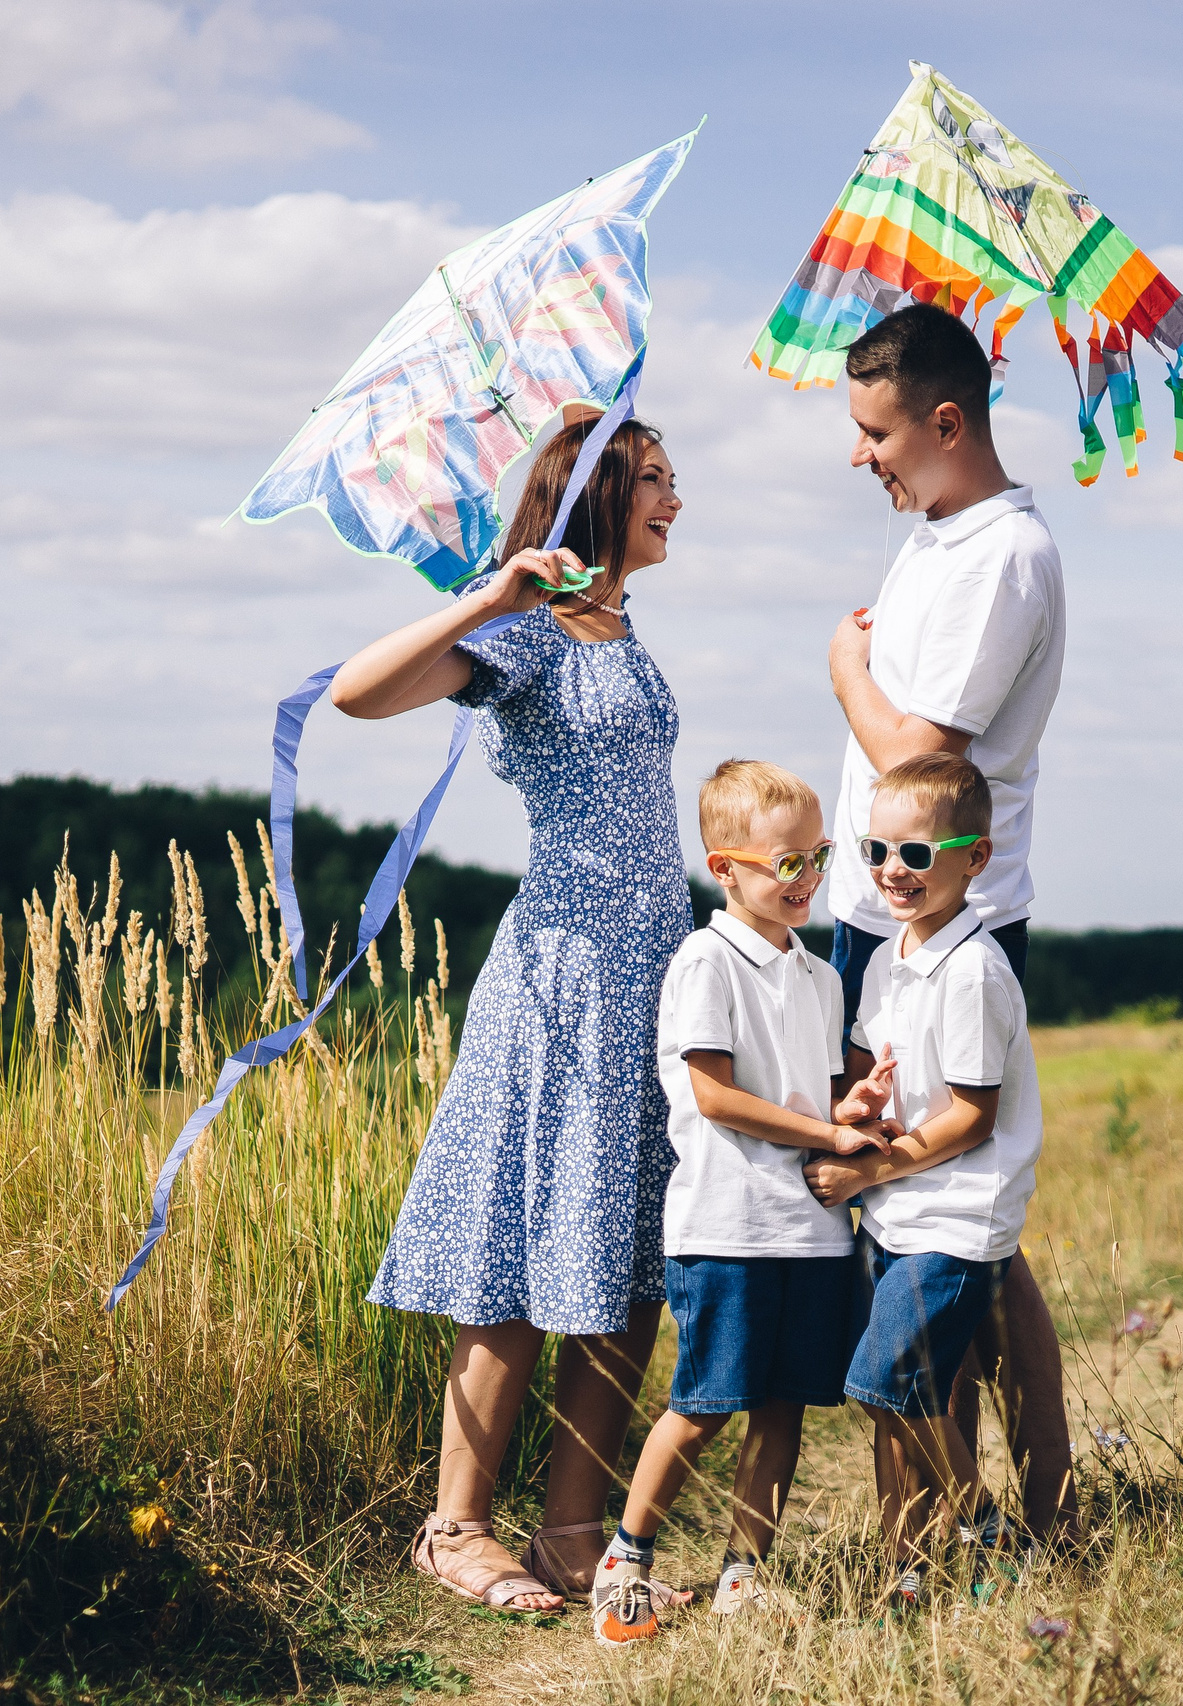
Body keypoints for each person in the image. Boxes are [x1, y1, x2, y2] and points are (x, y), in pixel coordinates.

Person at [331, 410, 687, 1612]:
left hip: (654, 966)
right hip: (565, 975)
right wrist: (491, 595)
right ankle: (454, 1526)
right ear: (588, 494)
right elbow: (355, 694)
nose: (672, 500)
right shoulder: (529, 630)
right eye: (650, 480)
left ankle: (572, 1532)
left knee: (628, 1253)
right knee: (518, 1250)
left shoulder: (623, 628)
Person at [821, 302, 1073, 1541]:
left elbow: (918, 760)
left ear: (945, 419)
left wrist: (844, 672)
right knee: (924, 1218)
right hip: (881, 906)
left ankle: (1021, 1498)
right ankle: (948, 1503)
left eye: (875, 432)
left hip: (949, 908)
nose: (859, 455)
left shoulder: (1003, 558)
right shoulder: (929, 533)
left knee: (965, 1224)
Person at [590, 759, 900, 1644]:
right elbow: (717, 1096)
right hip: (727, 1224)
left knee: (783, 1407)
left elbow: (806, 1096)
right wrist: (828, 1138)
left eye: (818, 857)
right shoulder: (704, 960)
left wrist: (854, 1107)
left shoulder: (822, 974)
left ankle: (742, 1575)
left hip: (811, 1233)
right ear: (725, 868)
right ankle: (626, 1560)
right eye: (784, 863)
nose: (806, 879)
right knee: (703, 1403)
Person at [804, 753, 1043, 1606]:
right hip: (901, 1215)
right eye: (877, 850)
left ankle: (982, 1520)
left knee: (883, 1382)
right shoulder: (887, 959)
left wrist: (869, 1165)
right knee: (903, 1392)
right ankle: (910, 1559)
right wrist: (859, 1100)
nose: (891, 872)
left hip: (955, 1215)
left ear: (976, 858)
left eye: (917, 854)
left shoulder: (974, 972)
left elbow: (972, 1115)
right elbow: (873, 1070)